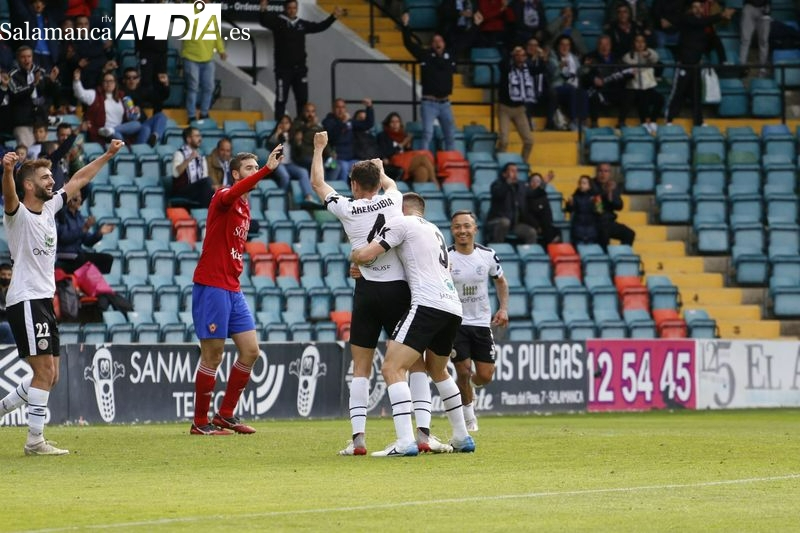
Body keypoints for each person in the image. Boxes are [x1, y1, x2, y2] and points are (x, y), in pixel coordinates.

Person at [310, 132, 450, 455]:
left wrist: (319, 149)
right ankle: (424, 435)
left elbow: (318, 183)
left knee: (360, 366)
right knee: (413, 365)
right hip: (399, 292)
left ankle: (358, 439)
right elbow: (388, 184)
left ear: (355, 186)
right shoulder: (395, 199)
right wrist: (381, 167)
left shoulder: (346, 208)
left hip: (367, 292)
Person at [0, 140, 123, 456]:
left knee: (51, 375)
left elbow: (79, 179)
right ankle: (34, 441)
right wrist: (7, 171)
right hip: (26, 299)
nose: (52, 181)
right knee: (43, 373)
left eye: (51, 177)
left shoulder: (51, 206)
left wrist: (107, 155)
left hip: (43, 300)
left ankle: (6, 413)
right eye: (44, 178)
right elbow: (10, 195)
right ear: (29, 185)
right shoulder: (18, 214)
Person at [351, 192, 475, 456]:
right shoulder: (434, 230)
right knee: (437, 370)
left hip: (427, 304)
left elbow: (367, 254)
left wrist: (356, 256)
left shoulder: (402, 223)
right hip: (452, 306)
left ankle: (405, 441)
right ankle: (462, 436)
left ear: (402, 208)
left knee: (392, 367)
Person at [189, 144, 284, 436]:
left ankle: (225, 414)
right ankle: (200, 422)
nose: (254, 172)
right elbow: (233, 191)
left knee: (251, 351)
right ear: (234, 174)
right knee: (213, 356)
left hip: (233, 288)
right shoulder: (223, 197)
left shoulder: (245, 206)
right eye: (249, 168)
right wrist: (267, 170)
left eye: (256, 168)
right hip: (212, 285)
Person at [448, 210, 508, 432]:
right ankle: (469, 416)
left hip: (482, 323)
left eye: (466, 226)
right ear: (452, 230)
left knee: (484, 376)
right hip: (455, 322)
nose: (462, 230)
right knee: (462, 370)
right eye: (457, 227)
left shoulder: (488, 255)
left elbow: (501, 281)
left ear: (475, 229)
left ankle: (467, 388)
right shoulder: (445, 257)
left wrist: (503, 309)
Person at [259, 0, 343, 120]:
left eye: (294, 8)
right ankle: (279, 126)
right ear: (285, 8)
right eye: (290, 8)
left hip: (300, 70)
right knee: (281, 99)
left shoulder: (302, 24)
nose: (292, 10)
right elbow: (264, 21)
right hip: (283, 70)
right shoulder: (278, 22)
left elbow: (319, 27)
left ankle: (300, 127)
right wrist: (263, 9)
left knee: (302, 99)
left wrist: (333, 17)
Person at [665, 2, 735, 126]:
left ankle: (699, 121)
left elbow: (711, 41)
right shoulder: (687, 19)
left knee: (697, 94)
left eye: (700, 7)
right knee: (678, 91)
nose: (697, 9)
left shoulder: (705, 26)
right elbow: (700, 22)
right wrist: (721, 15)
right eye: (694, 7)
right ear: (691, 9)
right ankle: (669, 119)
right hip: (684, 64)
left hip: (696, 64)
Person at [401, 12, 457, 152]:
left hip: (445, 103)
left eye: (440, 41)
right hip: (429, 102)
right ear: (432, 44)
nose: (438, 43)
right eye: (435, 41)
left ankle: (451, 165)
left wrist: (475, 25)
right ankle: (424, 160)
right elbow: (409, 44)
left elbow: (465, 41)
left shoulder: (449, 56)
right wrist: (405, 26)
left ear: (444, 44)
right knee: (427, 134)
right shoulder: (425, 55)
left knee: (450, 135)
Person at [7, 46, 58, 147]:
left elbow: (52, 93)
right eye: (23, 57)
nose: (27, 60)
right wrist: (33, 85)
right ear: (18, 59)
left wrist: (52, 82)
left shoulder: (41, 72)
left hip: (41, 122)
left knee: (44, 155)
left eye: (29, 56)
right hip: (23, 123)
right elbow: (15, 94)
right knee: (28, 156)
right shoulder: (12, 75)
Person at [73, 69, 142, 143]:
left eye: (111, 81)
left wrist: (136, 113)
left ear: (115, 83)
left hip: (120, 129)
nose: (108, 84)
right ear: (102, 83)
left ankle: (112, 130)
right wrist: (77, 81)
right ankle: (111, 132)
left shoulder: (122, 97)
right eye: (106, 81)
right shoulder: (94, 94)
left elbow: (131, 117)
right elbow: (80, 94)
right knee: (118, 137)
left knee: (137, 124)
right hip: (102, 130)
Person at [55, 189, 115, 273]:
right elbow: (64, 237)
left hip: (78, 253)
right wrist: (84, 228)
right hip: (65, 254)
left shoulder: (79, 217)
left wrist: (99, 233)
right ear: (70, 199)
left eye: (80, 197)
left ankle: (92, 281)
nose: (80, 200)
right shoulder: (62, 216)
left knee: (107, 259)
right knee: (81, 258)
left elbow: (87, 242)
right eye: (76, 198)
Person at [582, 35, 631, 129]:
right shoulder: (590, 57)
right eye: (602, 44)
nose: (604, 47)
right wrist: (593, 79)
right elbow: (584, 75)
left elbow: (626, 71)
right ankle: (594, 123)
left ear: (611, 45)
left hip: (614, 89)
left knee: (628, 93)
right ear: (598, 45)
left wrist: (632, 73)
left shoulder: (617, 57)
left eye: (607, 44)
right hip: (598, 89)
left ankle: (621, 122)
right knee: (593, 95)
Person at [497, 46, 536, 164]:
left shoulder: (528, 69)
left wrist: (541, 57)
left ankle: (523, 164)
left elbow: (540, 69)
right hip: (505, 108)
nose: (520, 57)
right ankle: (499, 163)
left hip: (519, 109)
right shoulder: (508, 68)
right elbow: (501, 65)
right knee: (503, 140)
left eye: (522, 55)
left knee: (529, 140)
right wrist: (510, 53)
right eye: (517, 55)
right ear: (513, 57)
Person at [181, 24, 226, 122]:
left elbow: (216, 34)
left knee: (209, 87)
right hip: (191, 57)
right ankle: (191, 115)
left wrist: (221, 50)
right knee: (193, 87)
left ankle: (204, 114)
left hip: (208, 58)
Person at [322, 97, 374, 181]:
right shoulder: (328, 121)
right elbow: (332, 137)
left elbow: (367, 125)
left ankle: (361, 192)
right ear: (333, 109)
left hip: (350, 158)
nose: (341, 110)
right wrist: (343, 123)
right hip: (336, 158)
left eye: (343, 107)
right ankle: (342, 192)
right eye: (338, 107)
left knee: (364, 166)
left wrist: (369, 107)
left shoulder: (349, 122)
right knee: (344, 166)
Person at [486, 163, 538, 244]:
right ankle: (497, 248)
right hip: (496, 220)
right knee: (505, 222)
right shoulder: (497, 184)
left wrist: (543, 184)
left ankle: (527, 252)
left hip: (514, 224)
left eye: (516, 171)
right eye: (512, 171)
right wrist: (507, 184)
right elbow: (498, 194)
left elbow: (533, 194)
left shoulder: (520, 186)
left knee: (531, 232)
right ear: (504, 174)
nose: (515, 173)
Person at [622, 34, 664, 133]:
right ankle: (645, 122)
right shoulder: (628, 56)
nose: (640, 44)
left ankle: (653, 121)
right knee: (642, 97)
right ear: (633, 43)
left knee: (660, 99)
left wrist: (647, 55)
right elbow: (630, 66)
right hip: (634, 88)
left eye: (642, 41)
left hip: (649, 86)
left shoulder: (650, 53)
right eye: (637, 41)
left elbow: (656, 59)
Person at [268, 114, 315, 202]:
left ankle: (308, 196)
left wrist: (298, 142)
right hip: (278, 163)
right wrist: (277, 134)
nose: (284, 125)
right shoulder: (275, 135)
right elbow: (270, 146)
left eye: (287, 123)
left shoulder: (293, 136)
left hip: (290, 164)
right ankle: (281, 197)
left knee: (303, 172)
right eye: (282, 123)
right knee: (285, 176)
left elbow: (300, 152)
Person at [120, 67, 169, 147]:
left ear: (138, 79)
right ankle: (142, 151)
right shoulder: (120, 93)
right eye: (128, 78)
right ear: (124, 80)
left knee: (161, 116)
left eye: (134, 78)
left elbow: (159, 97)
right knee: (146, 129)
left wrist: (165, 84)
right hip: (129, 125)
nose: (131, 80)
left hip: (143, 122)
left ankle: (155, 136)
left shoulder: (142, 91)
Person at [547, 35, 587, 131]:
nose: (565, 47)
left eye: (567, 45)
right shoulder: (553, 58)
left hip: (572, 86)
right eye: (562, 44)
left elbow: (579, 73)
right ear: (558, 46)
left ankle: (581, 121)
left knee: (583, 93)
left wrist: (586, 67)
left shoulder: (574, 58)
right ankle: (573, 121)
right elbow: (551, 76)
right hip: (557, 86)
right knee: (571, 90)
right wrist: (559, 67)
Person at [592, 162, 635, 247]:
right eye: (600, 171)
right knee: (604, 234)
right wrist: (605, 193)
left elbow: (619, 206)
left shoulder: (612, 186)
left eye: (606, 171)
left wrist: (610, 193)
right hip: (595, 222)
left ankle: (623, 257)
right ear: (596, 172)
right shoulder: (591, 185)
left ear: (610, 173)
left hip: (609, 222)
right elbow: (598, 208)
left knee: (629, 234)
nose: (603, 174)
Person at [171, 127, 214, 208]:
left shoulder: (201, 157)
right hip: (183, 190)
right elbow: (175, 173)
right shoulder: (179, 154)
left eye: (200, 136)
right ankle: (206, 213)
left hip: (197, 189)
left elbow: (204, 178)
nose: (200, 138)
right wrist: (189, 159)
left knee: (218, 191)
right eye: (197, 136)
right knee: (207, 183)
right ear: (188, 139)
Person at [565, 175, 603, 245]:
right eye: (580, 183)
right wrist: (569, 204)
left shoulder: (595, 197)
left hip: (592, 231)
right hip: (578, 231)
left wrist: (598, 204)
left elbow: (600, 212)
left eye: (584, 183)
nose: (581, 185)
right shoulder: (575, 197)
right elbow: (569, 210)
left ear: (589, 185)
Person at [523, 172, 559, 245]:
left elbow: (548, 214)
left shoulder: (543, 197)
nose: (535, 183)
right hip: (532, 224)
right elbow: (527, 214)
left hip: (545, 225)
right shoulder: (526, 195)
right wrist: (537, 226)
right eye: (533, 181)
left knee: (557, 231)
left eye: (538, 181)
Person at [740, 0, 771, 77]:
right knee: (745, 40)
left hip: (764, 7)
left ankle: (762, 69)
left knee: (764, 41)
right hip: (749, 6)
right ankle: (741, 67)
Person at [0, 263, 15, 345]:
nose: (6, 277)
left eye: (9, 275)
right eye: (3, 274)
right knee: (6, 327)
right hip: (3, 324)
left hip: (11, 323)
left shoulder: (15, 291)